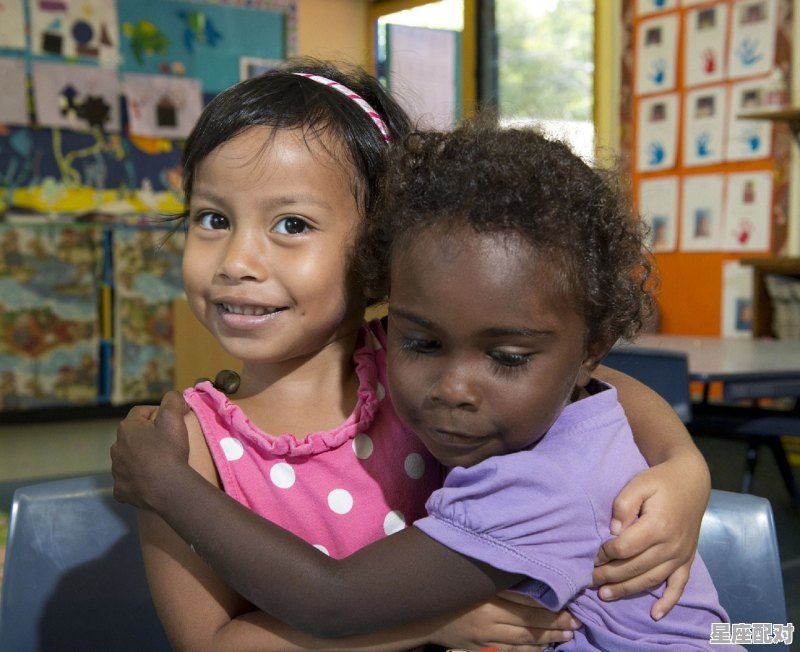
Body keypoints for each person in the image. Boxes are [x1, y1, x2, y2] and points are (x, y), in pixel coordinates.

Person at [111, 59, 712, 651]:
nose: (237, 262)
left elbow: (600, 389)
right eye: (213, 218)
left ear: (380, 248)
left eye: (292, 224)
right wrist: (422, 626)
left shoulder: (427, 366)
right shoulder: (179, 450)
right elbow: (211, 643)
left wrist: (684, 467)